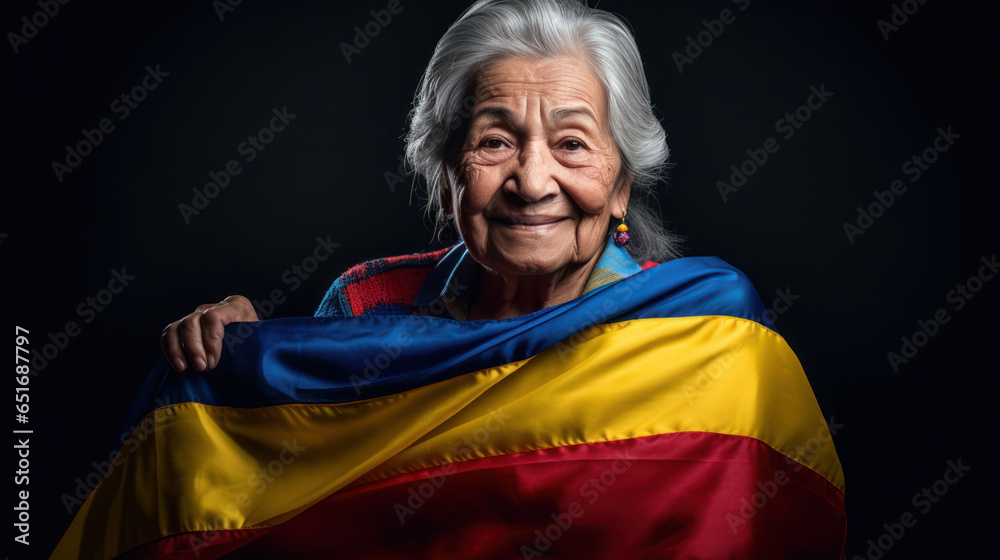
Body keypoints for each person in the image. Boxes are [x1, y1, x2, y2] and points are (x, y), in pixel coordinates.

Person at [54, 1, 846, 558]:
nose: (532, 181)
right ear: (444, 176)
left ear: (621, 185)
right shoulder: (364, 303)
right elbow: (291, 507)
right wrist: (238, 366)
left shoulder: (700, 345)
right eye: (495, 142)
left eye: (572, 144)